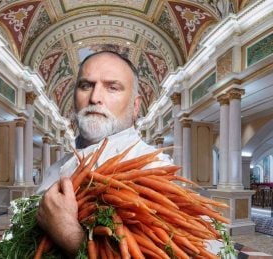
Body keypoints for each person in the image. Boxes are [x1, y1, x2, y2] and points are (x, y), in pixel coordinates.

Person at [36, 51, 172, 256]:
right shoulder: (55, 168)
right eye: (86, 85)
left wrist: (70, 235)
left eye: (112, 87)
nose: (95, 98)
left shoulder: (156, 168)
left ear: (135, 106)